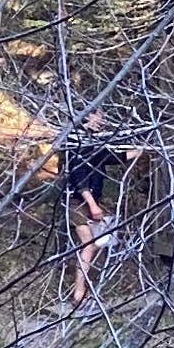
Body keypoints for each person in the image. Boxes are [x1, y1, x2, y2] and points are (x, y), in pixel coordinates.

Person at [58, 134, 123, 312]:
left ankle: (81, 284)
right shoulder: (76, 146)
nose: (101, 119)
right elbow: (80, 181)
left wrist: (144, 149)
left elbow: (116, 157)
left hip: (91, 200)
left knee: (95, 245)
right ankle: (79, 293)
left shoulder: (97, 147)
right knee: (88, 244)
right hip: (76, 201)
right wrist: (93, 206)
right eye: (98, 115)